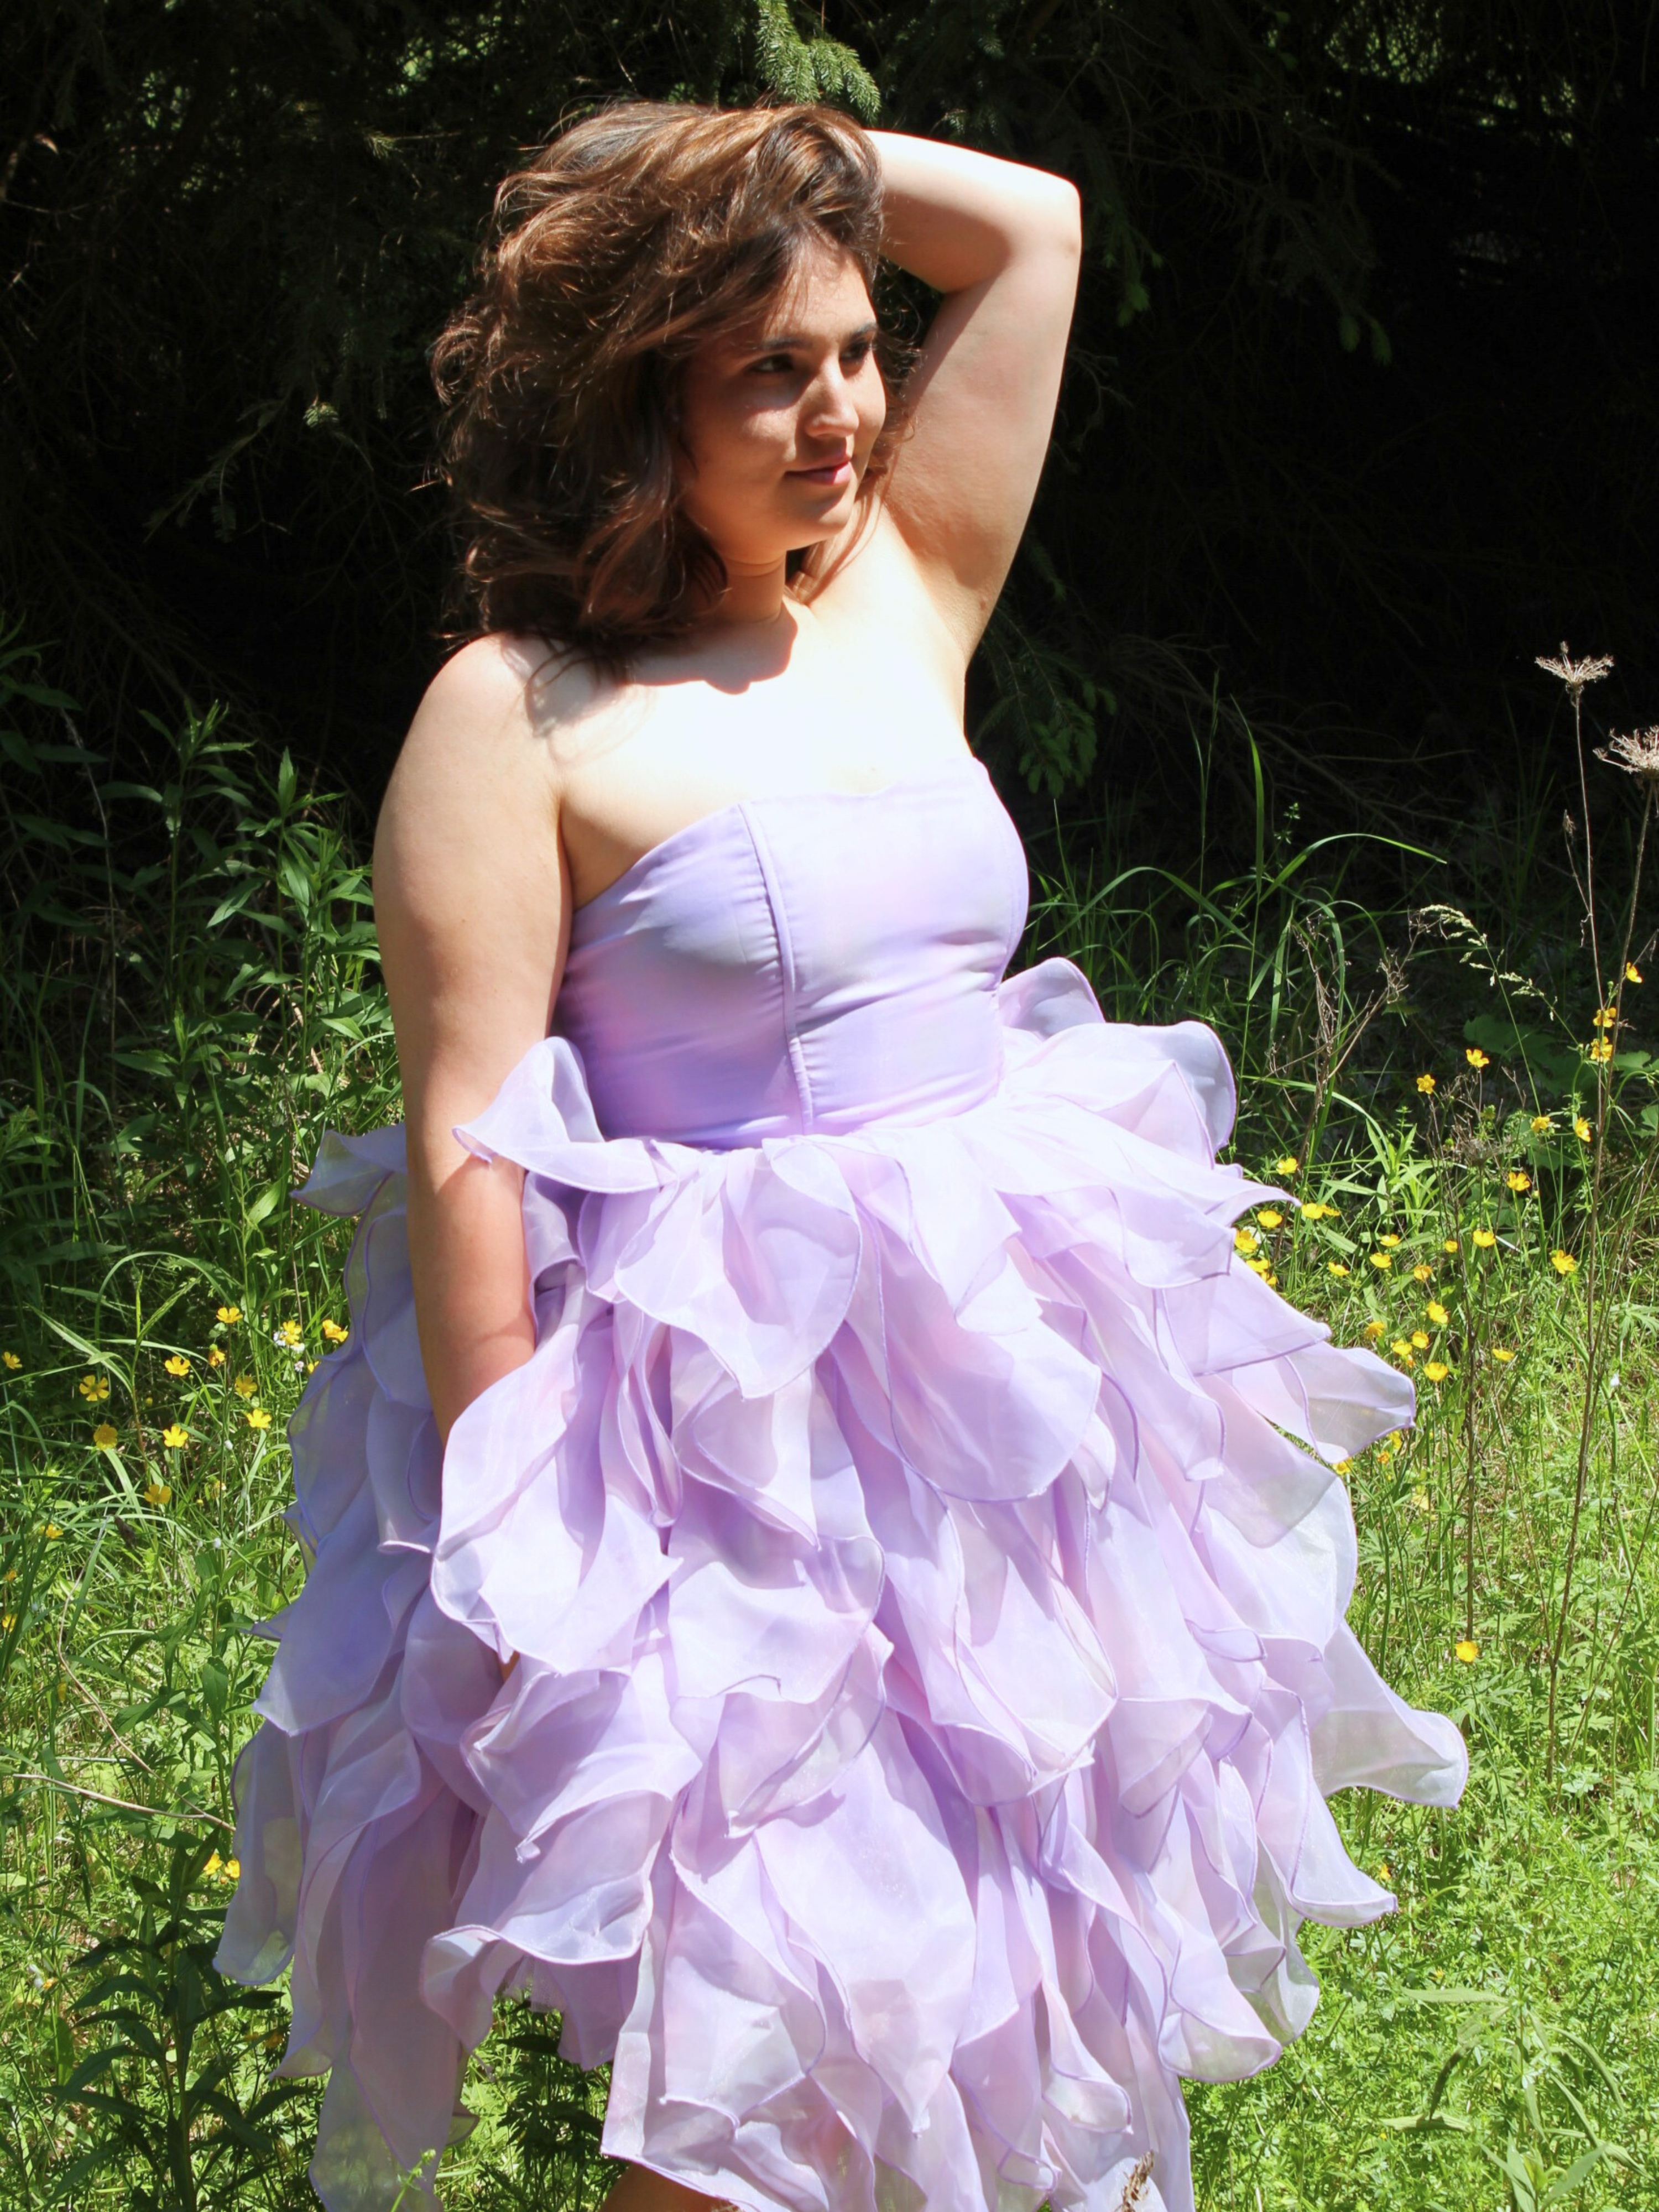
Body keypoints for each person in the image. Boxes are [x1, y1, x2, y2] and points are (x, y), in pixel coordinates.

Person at [217, 98, 1467, 2212]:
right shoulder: (514, 714)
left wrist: (738, 152)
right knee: (750, 2075)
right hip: (724, 1486)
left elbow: (1039, 229)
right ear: (641, 410)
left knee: (1007, 2021)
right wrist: (537, 1565)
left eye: (856, 354)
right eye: (768, 370)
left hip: (993, 1461)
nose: (840, 414)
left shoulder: (899, 596)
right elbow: (468, 1146)